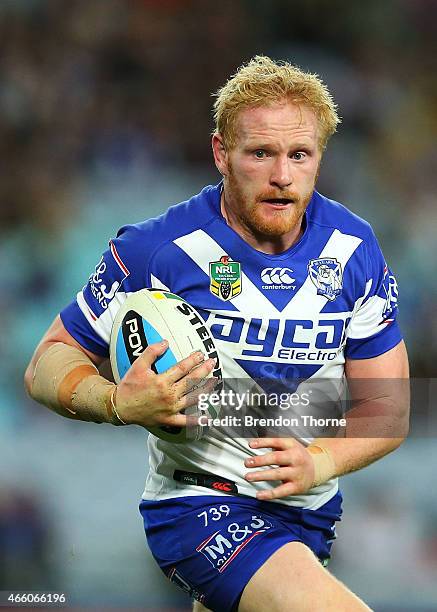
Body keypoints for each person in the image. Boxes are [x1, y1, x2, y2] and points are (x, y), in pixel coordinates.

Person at [25, 55, 409, 611]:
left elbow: (388, 408)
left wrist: (320, 461)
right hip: (201, 506)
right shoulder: (157, 250)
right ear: (220, 154)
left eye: (299, 155)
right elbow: (46, 365)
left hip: (308, 512)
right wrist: (115, 400)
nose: (282, 175)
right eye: (261, 154)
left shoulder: (354, 249)